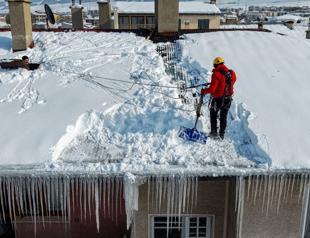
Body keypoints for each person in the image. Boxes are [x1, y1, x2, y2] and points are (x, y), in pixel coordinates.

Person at [201, 57, 236, 140]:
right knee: (223, 116)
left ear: (215, 64)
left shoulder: (216, 74)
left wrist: (204, 91)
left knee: (213, 113)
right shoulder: (231, 73)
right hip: (229, 98)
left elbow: (212, 89)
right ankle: (221, 134)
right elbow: (231, 81)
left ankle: (213, 132)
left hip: (218, 99)